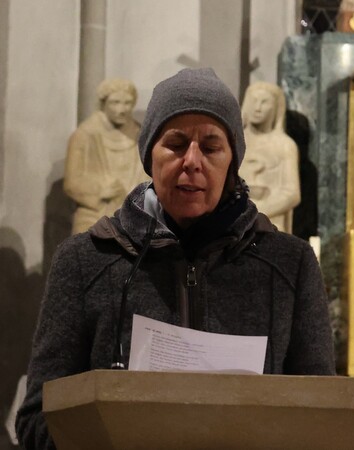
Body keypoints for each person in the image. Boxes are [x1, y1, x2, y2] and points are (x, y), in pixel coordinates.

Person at [16, 68, 335, 449]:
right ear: (149, 156)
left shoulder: (290, 265)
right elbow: (37, 419)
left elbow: (322, 417)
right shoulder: (86, 260)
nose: (192, 161)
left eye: (211, 147)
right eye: (176, 144)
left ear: (232, 162)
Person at [64, 78, 148, 234]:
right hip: (93, 215)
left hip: (132, 215)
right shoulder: (85, 135)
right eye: (115, 102)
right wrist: (100, 191)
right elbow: (71, 182)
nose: (122, 109)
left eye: (127, 103)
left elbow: (148, 174)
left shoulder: (140, 135)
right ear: (103, 104)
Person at [240, 81, 300, 233]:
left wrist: (258, 211)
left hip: (270, 223)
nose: (257, 108)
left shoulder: (285, 145)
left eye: (264, 102)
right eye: (254, 101)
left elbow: (292, 194)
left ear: (276, 108)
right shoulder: (235, 141)